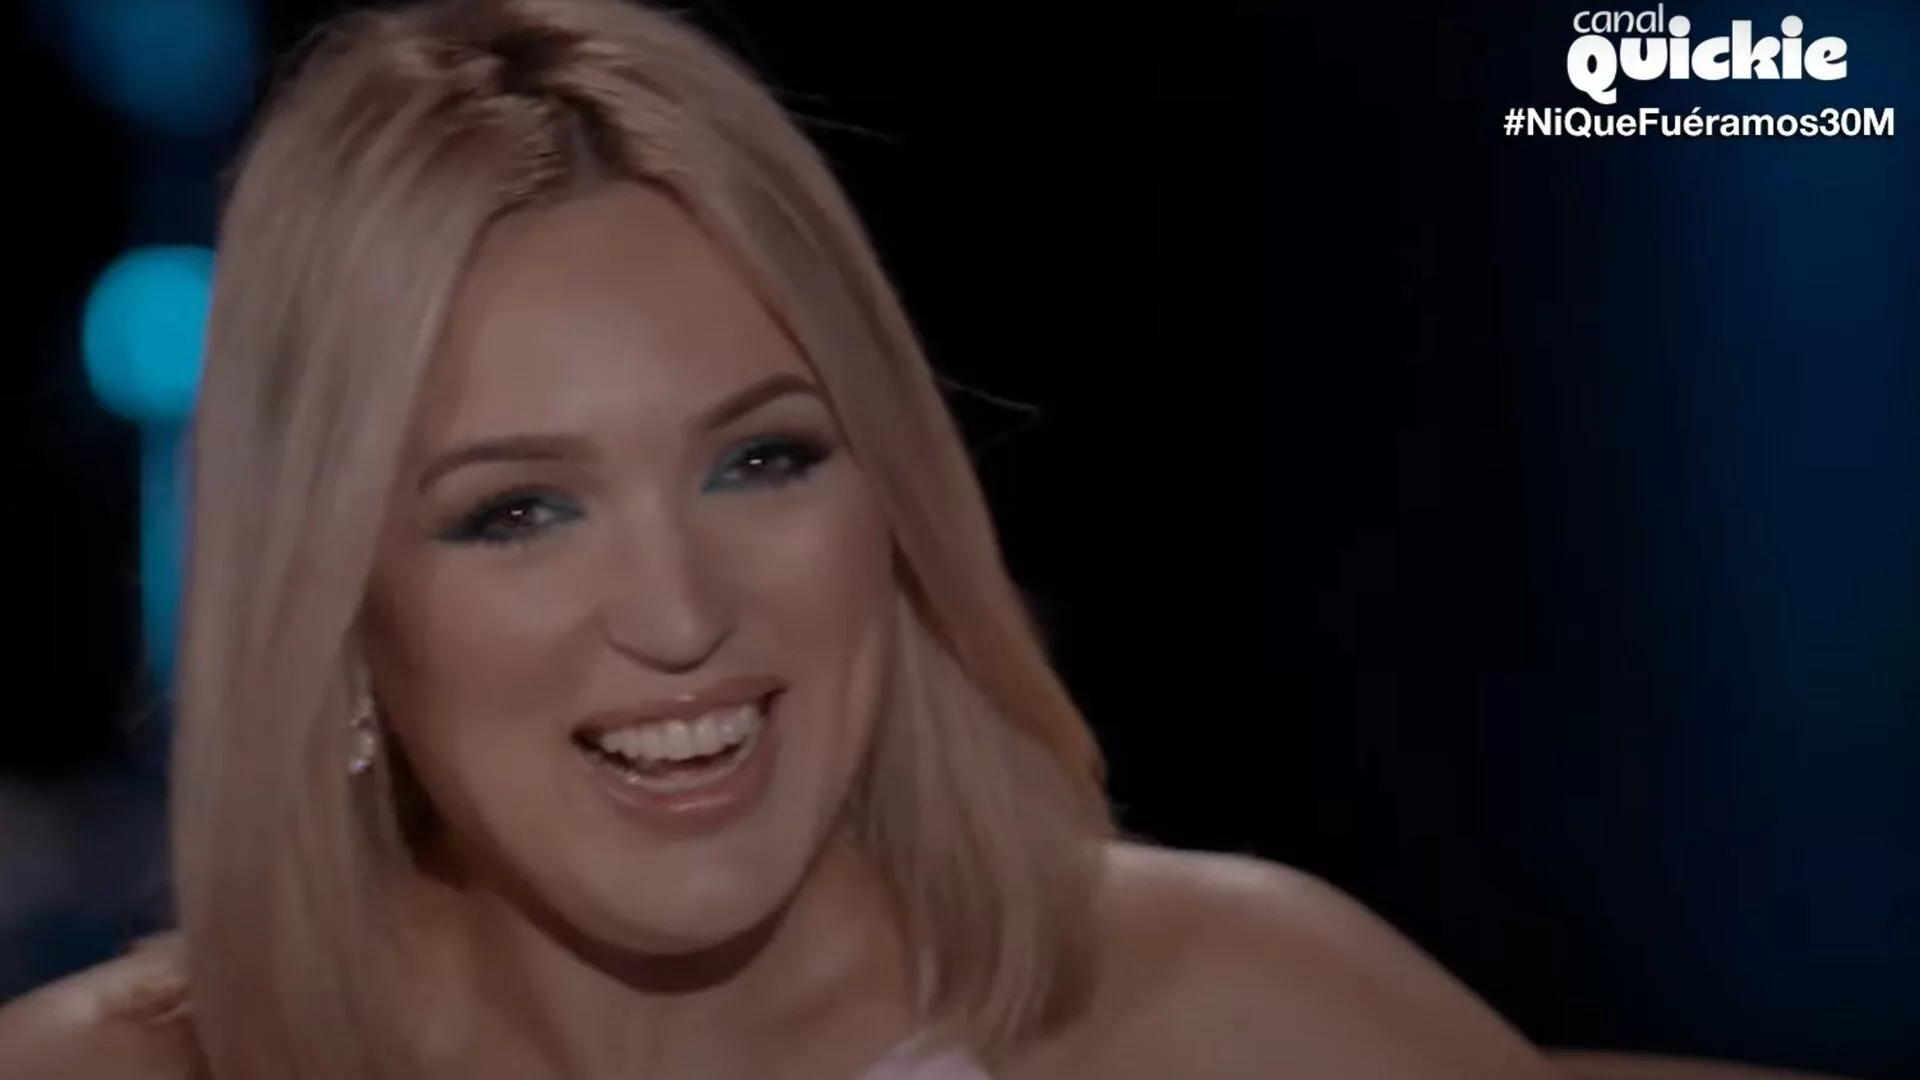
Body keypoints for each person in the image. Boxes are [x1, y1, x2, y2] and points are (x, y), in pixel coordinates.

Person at [0, 1, 1571, 1077]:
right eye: (517, 512)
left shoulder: (1221, 1011)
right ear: (339, 611)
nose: (680, 611)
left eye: (761, 461)